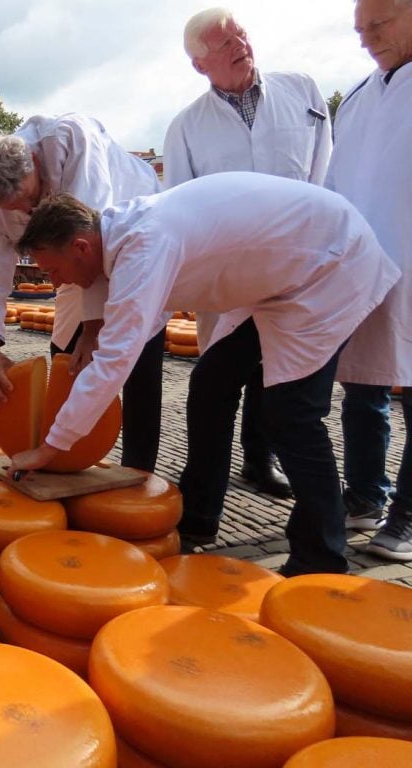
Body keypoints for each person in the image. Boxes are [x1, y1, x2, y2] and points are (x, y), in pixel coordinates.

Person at [11, 175, 399, 576]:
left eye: (54, 270)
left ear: (79, 246)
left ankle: (321, 558)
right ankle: (198, 518)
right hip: (279, 276)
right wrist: (90, 330)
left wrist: (51, 447)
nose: (56, 283)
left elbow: (115, 361)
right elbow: (98, 282)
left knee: (292, 414)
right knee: (211, 384)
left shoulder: (144, 244)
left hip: (329, 264)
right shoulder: (110, 231)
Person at [164, 7, 333, 503]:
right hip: (227, 274)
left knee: (279, 370)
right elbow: (180, 204)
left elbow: (326, 163)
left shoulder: (302, 91)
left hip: (299, 263)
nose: (239, 45)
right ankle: (205, 488)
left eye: (240, 34)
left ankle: (263, 459)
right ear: (199, 64)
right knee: (219, 376)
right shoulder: (186, 127)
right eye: (223, 43)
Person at [0, 115, 164, 471]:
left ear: (36, 163)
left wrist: (93, 329)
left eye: (26, 199)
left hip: (133, 237)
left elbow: (90, 244)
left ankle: (138, 471)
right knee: (66, 356)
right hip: (78, 255)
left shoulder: (74, 144)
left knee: (137, 351)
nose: (24, 212)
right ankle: (63, 455)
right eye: (13, 211)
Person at [326, 0, 412, 560]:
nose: (366, 39)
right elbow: (336, 185)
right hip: (365, 266)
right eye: (360, 30)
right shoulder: (356, 100)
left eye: (378, 25)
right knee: (363, 386)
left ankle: (406, 517)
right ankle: (364, 496)